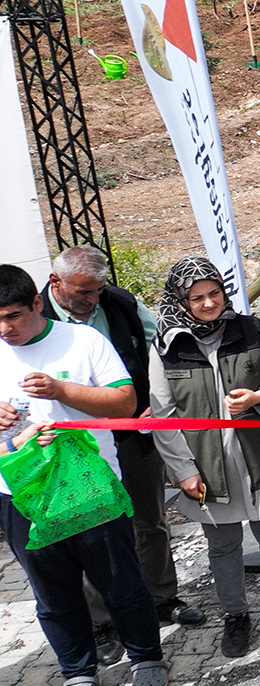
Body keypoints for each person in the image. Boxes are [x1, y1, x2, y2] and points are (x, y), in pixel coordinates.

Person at [0, 264, 167, 686]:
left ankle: (146, 657)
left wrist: (62, 391)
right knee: (53, 593)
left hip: (92, 488)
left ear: (37, 302)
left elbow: (125, 403)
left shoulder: (82, 341)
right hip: (21, 496)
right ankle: (78, 672)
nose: (5, 329)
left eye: (13, 316)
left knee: (120, 580)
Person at [148, 257, 260, 659]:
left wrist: (258, 398)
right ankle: (236, 616)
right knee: (223, 545)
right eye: (197, 297)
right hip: (206, 468)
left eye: (214, 293)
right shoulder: (165, 347)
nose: (209, 303)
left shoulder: (255, 330)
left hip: (258, 458)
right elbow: (163, 417)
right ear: (181, 300)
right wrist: (184, 470)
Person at [42, 246, 200, 627]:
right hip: (75, 445)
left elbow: (161, 350)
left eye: (98, 290)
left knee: (150, 519)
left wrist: (154, 403)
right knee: (88, 528)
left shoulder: (122, 303)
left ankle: (162, 597)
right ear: (55, 282)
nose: (93, 300)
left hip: (133, 432)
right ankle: (103, 621)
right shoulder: (35, 318)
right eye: (83, 292)